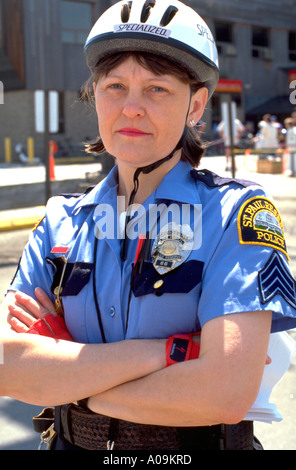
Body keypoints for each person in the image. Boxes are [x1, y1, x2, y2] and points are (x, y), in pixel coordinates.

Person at [0, 0, 296, 452]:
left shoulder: (237, 214)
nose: (132, 108)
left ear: (196, 105)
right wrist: (173, 352)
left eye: (157, 89)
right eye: (115, 85)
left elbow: (224, 393)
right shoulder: (61, 221)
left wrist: (65, 382)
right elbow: (9, 368)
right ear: (95, 94)